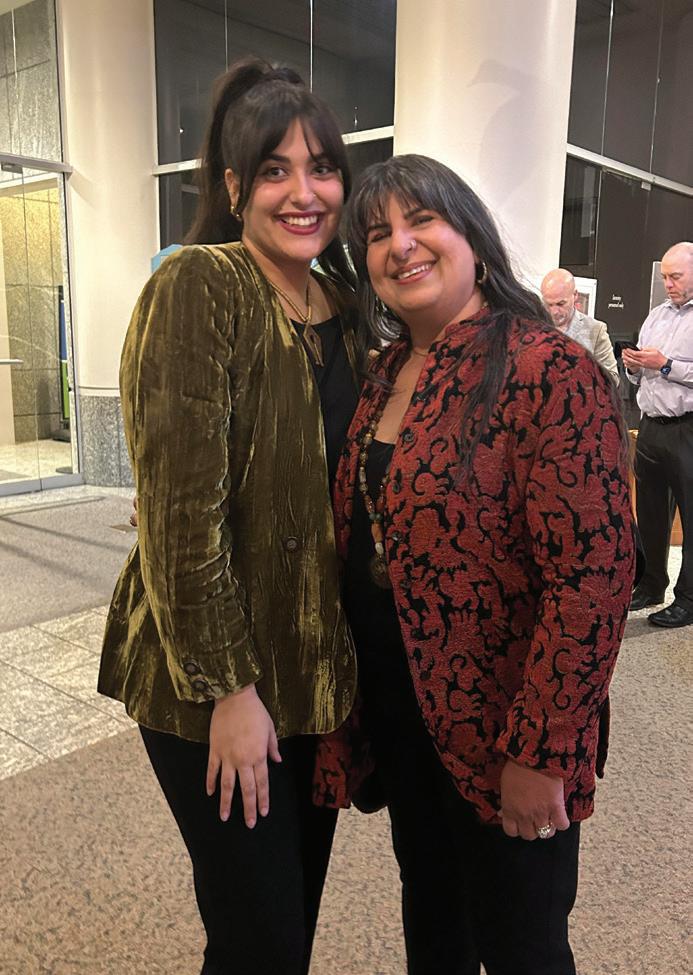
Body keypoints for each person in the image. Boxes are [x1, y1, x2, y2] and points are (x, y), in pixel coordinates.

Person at [315, 154, 635, 975]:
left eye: (421, 220)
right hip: (403, 713)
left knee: (523, 945)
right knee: (433, 924)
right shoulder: (386, 371)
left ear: (471, 236)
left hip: (506, 725)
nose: (399, 244)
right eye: (376, 232)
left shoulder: (546, 368)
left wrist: (541, 750)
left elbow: (593, 580)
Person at [98, 58, 361, 975]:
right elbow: (178, 523)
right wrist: (230, 691)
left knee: (285, 923)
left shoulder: (342, 305)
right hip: (209, 680)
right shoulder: (200, 285)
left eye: (321, 167)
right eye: (275, 169)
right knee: (261, 941)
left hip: (309, 672)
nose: (304, 191)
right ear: (234, 185)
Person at [623, 241, 693, 627]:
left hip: (687, 428)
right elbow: (642, 375)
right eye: (665, 276)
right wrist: (634, 366)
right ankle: (651, 585)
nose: (668, 283)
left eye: (675, 276)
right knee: (649, 512)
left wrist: (666, 364)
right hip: (650, 426)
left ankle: (689, 599)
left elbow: (669, 367)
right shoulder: (657, 315)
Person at [540, 267, 619, 385]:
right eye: (549, 304)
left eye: (561, 304)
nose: (554, 311)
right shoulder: (534, 327)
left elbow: (613, 379)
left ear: (575, 295)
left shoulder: (595, 330)